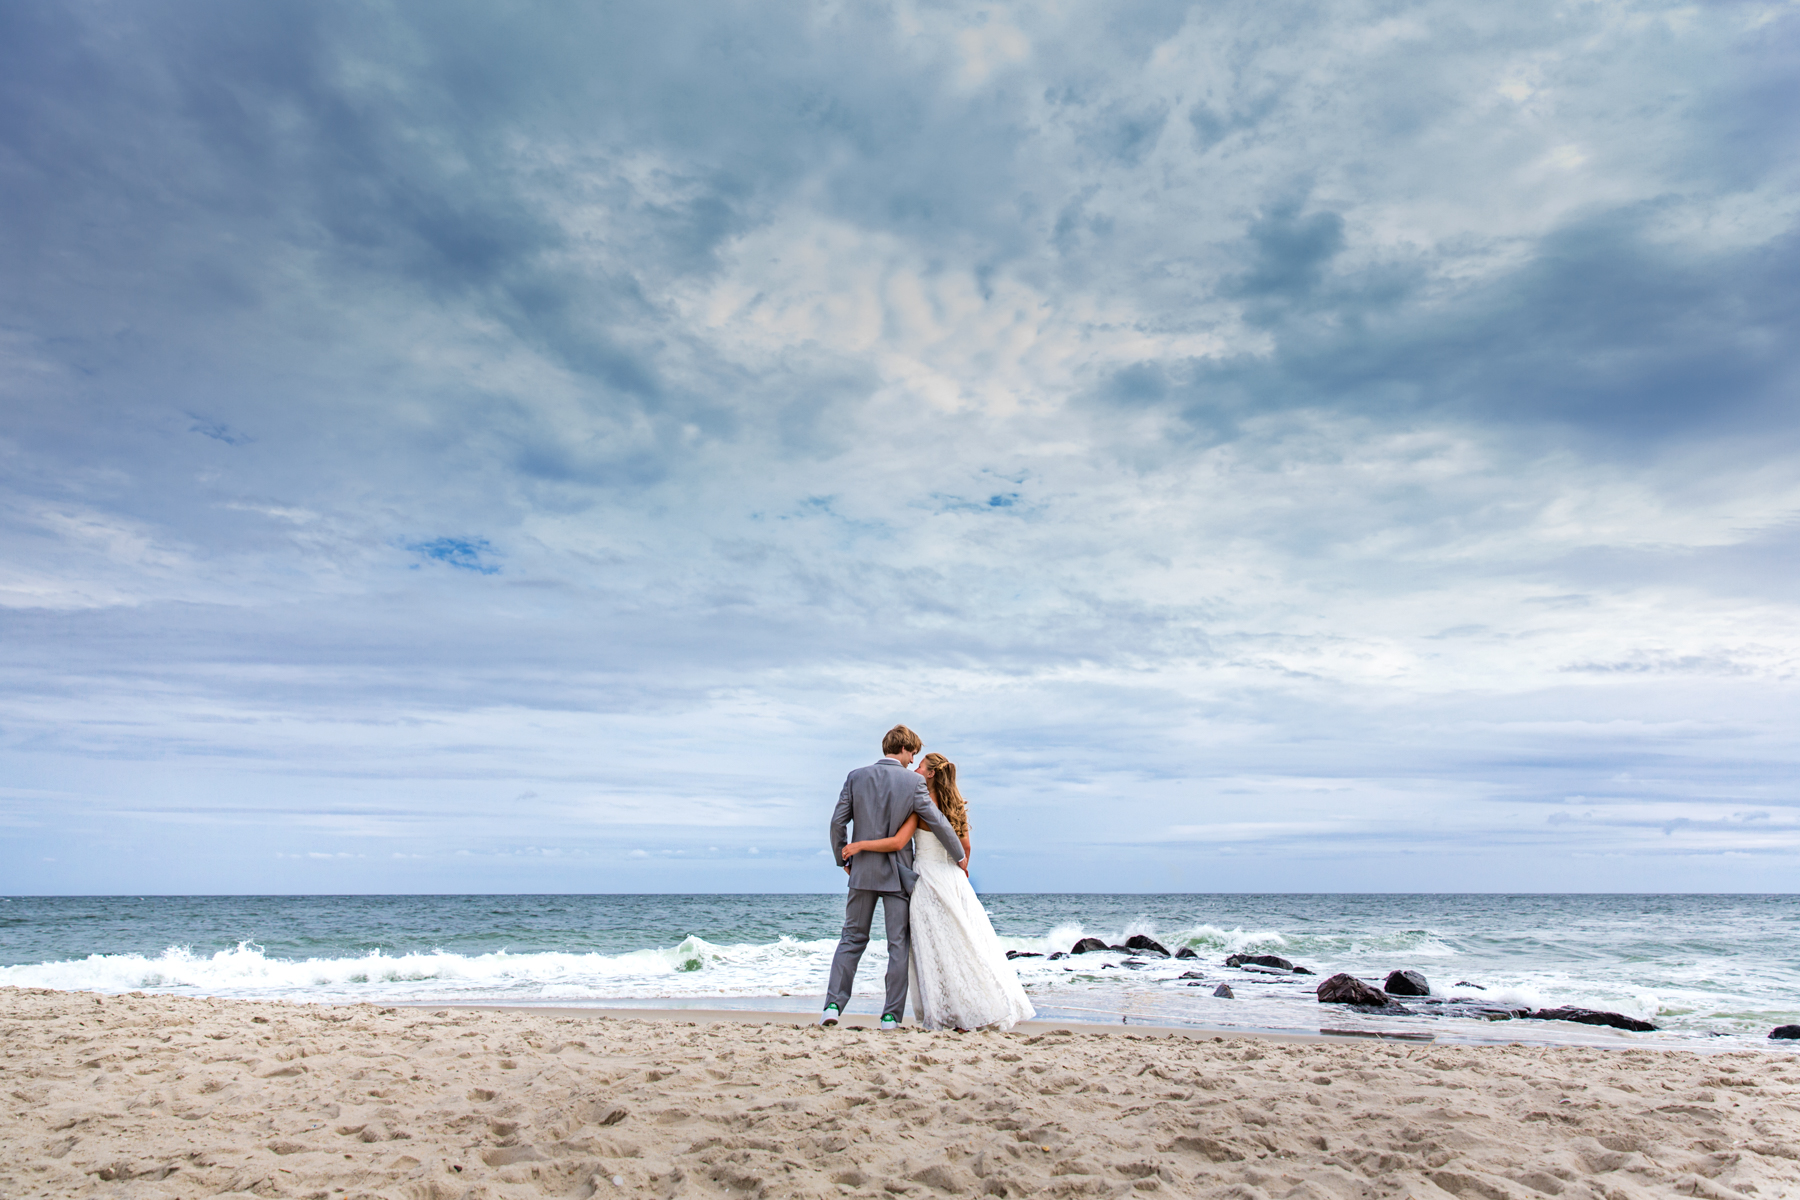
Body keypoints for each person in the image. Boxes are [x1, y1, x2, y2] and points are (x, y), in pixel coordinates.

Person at [841, 752, 1035, 1032]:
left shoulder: (918, 806)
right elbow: (965, 847)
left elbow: (897, 842)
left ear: (930, 774)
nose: (916, 769)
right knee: (966, 944)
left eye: (920, 766)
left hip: (928, 879)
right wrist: (960, 868)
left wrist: (860, 846)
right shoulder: (955, 806)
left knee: (936, 949)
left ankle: (949, 1014)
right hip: (954, 879)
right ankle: (980, 1007)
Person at [822, 725, 966, 1031]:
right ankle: (890, 1016)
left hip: (861, 871)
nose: (914, 757)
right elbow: (937, 822)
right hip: (897, 876)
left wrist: (842, 857)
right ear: (904, 749)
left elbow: (837, 822)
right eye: (913, 751)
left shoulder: (855, 776)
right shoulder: (913, 782)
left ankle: (832, 1006)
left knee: (851, 939)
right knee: (897, 944)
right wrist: (959, 856)